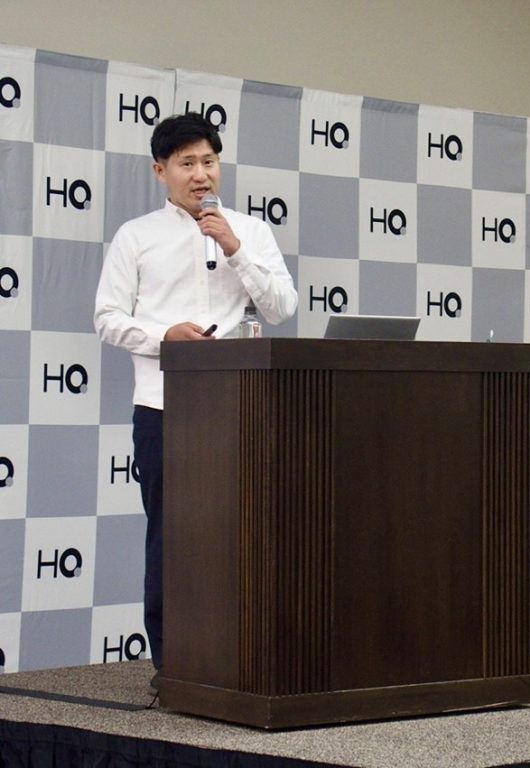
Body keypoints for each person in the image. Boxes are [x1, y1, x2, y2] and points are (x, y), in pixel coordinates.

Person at [94, 113, 298, 695]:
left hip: (242, 408)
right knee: (173, 535)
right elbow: (107, 317)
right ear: (160, 171)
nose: (201, 174)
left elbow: (281, 307)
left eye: (209, 161)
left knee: (248, 532)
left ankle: (246, 658)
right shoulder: (136, 236)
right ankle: (173, 666)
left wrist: (235, 249)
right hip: (164, 409)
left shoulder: (249, 230)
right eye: (186, 163)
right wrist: (164, 338)